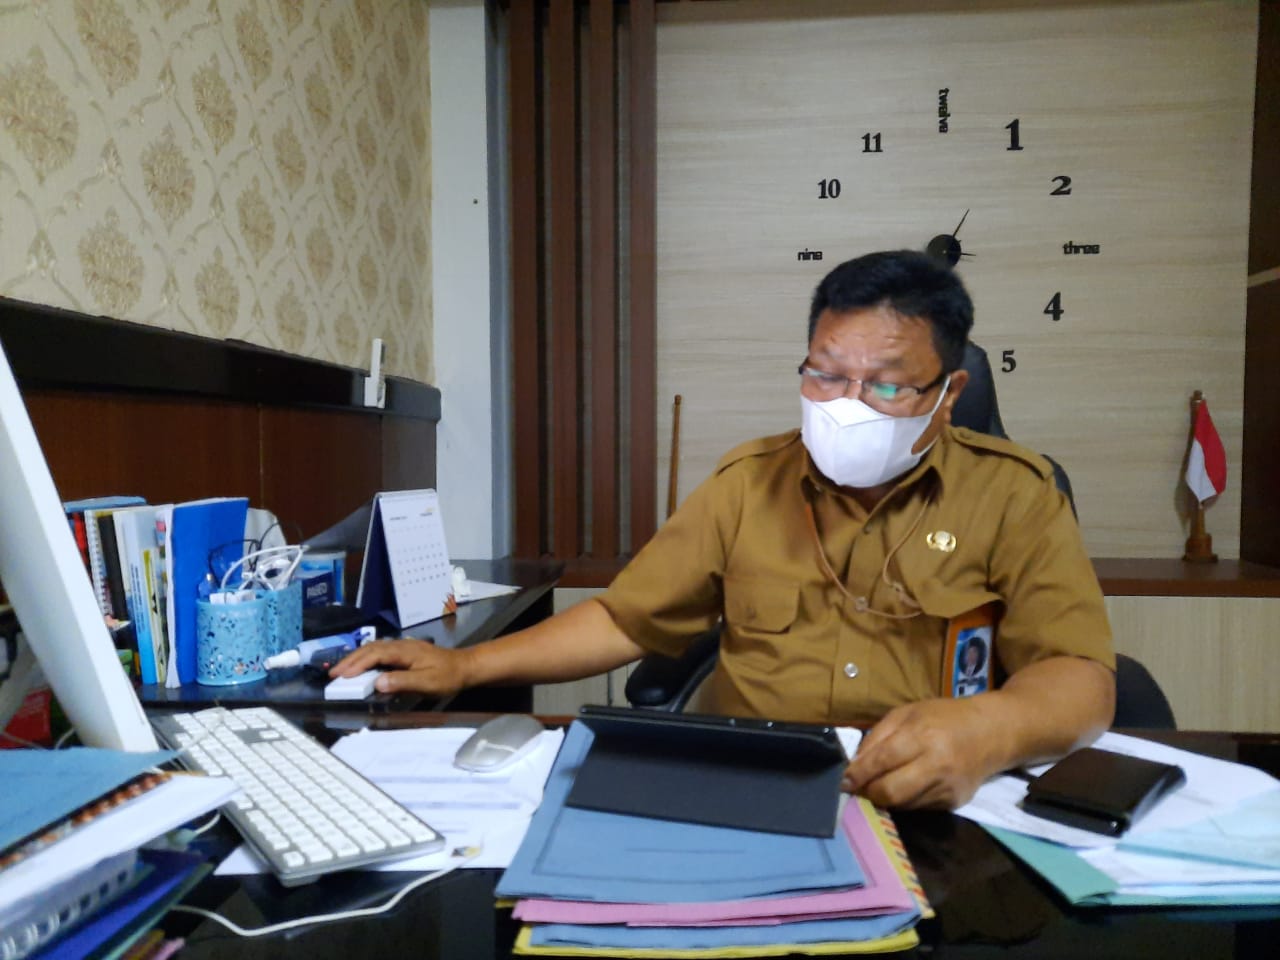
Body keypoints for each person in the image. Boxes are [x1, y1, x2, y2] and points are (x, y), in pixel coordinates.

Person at [333, 249, 1116, 810]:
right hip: (747, 785)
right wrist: (465, 666)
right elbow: (626, 619)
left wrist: (988, 730)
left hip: (931, 797)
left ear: (949, 394)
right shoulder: (749, 480)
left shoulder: (1015, 494)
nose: (846, 404)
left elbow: (1080, 679)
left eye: (885, 386)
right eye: (826, 374)